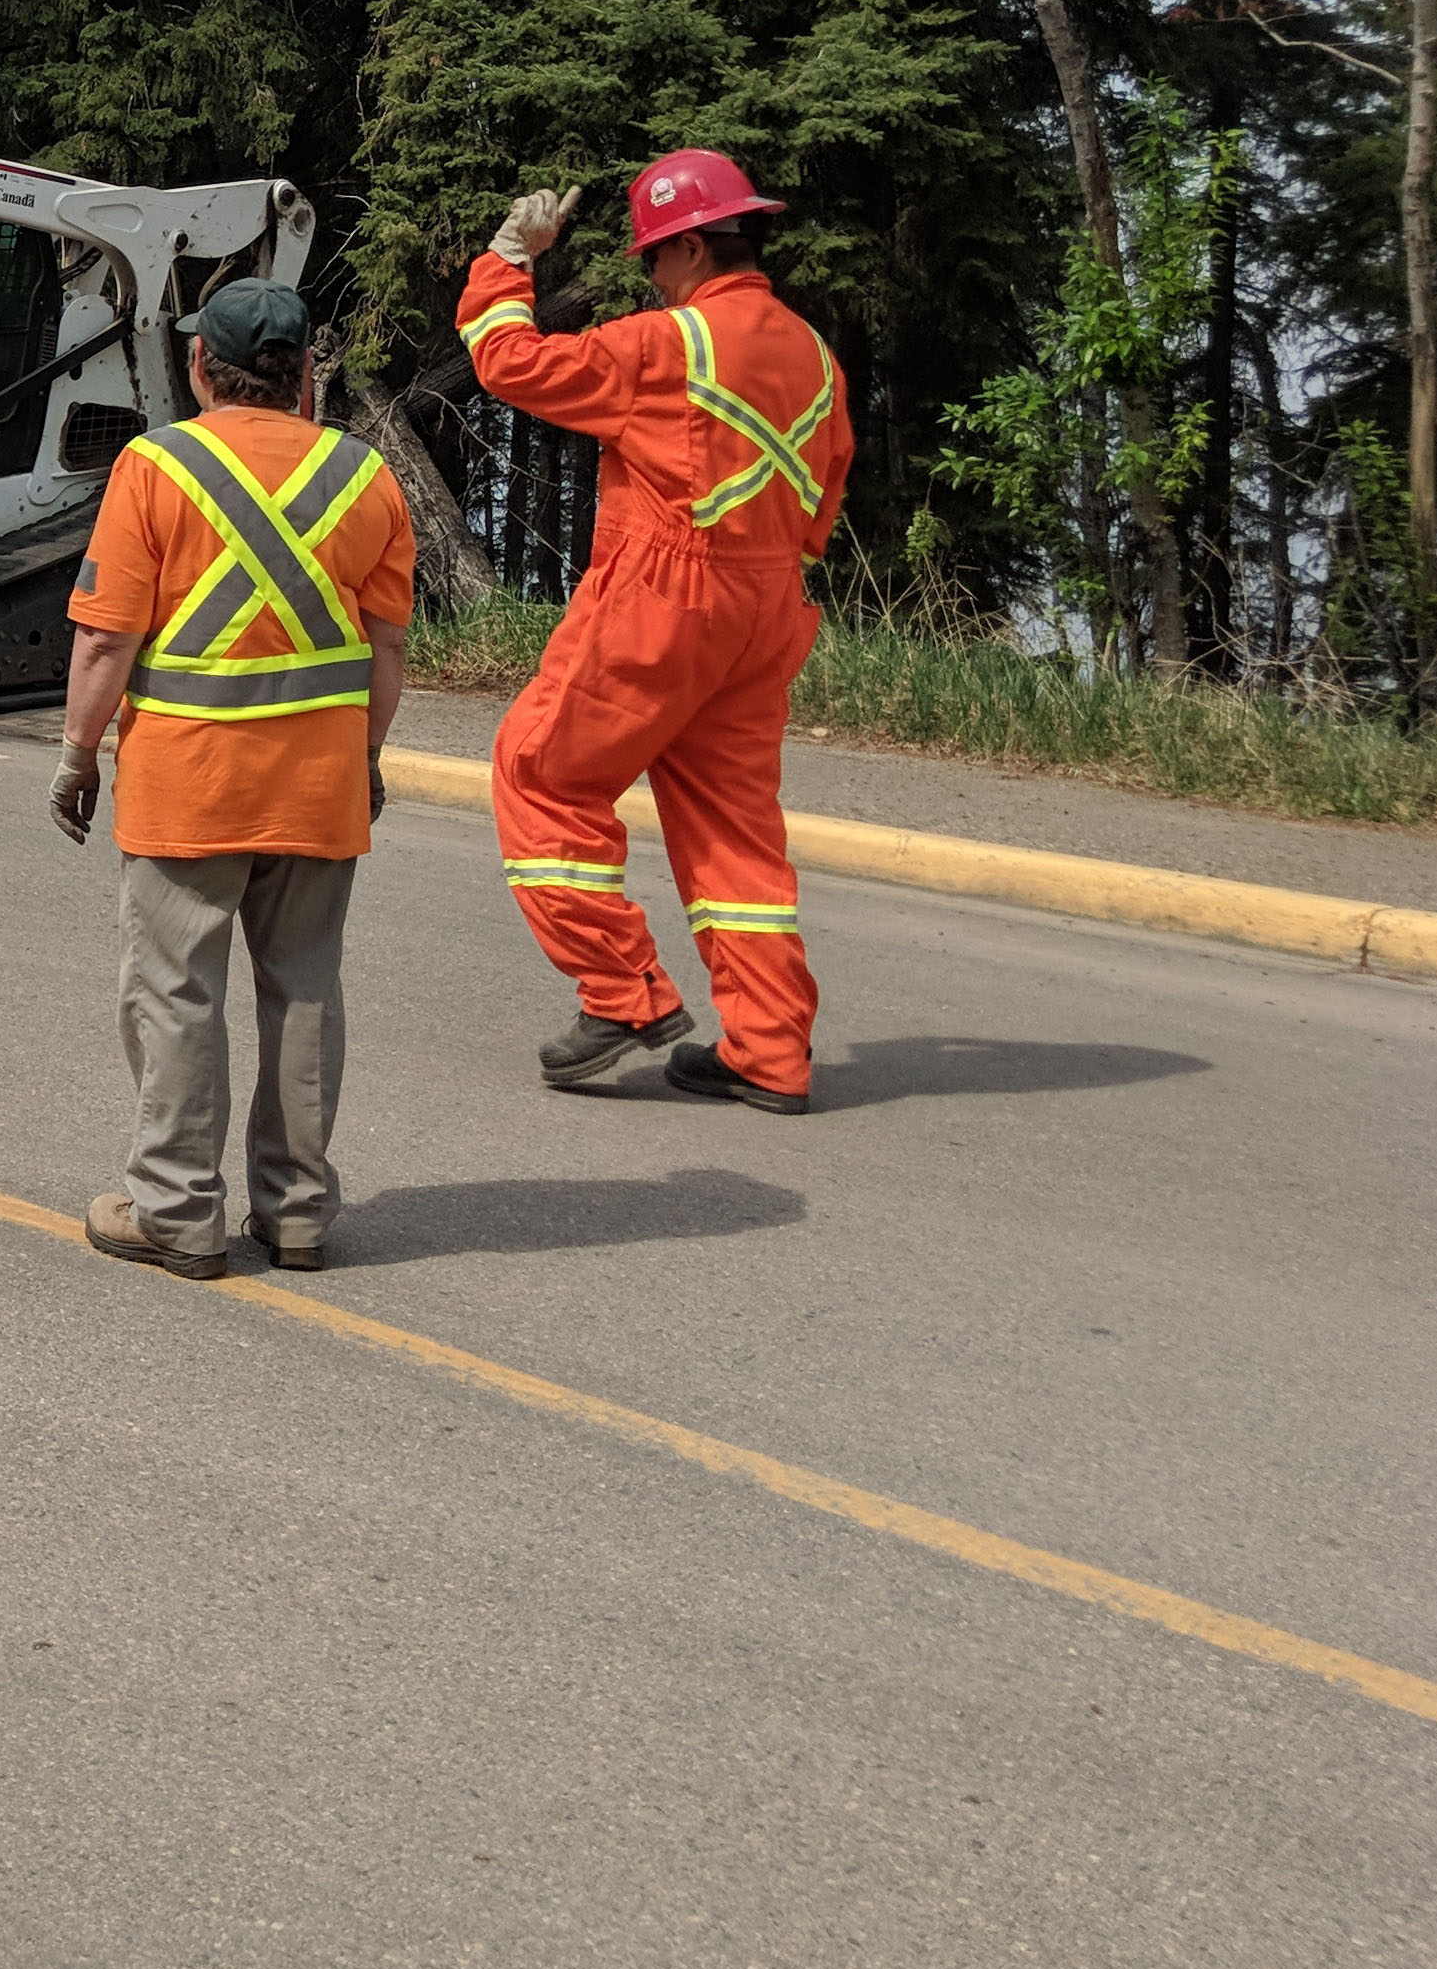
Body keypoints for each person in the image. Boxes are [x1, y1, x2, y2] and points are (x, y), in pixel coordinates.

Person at [460, 149, 852, 1112]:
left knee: (540, 771)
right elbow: (821, 501)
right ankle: (768, 1053)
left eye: (650, 257)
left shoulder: (670, 344)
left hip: (665, 596)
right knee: (735, 835)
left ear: (685, 247)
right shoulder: (814, 355)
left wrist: (509, 259)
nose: (648, 273)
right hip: (768, 607)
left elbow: (509, 361)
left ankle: (624, 995)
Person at [54, 280, 416, 1275]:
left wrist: (79, 754)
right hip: (320, 783)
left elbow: (105, 640)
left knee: (176, 994)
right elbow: (387, 651)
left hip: (190, 784)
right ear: (306, 374)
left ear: (199, 366)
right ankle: (297, 1211)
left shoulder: (156, 465)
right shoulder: (365, 477)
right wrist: (369, 757)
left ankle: (176, 1209)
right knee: (303, 991)